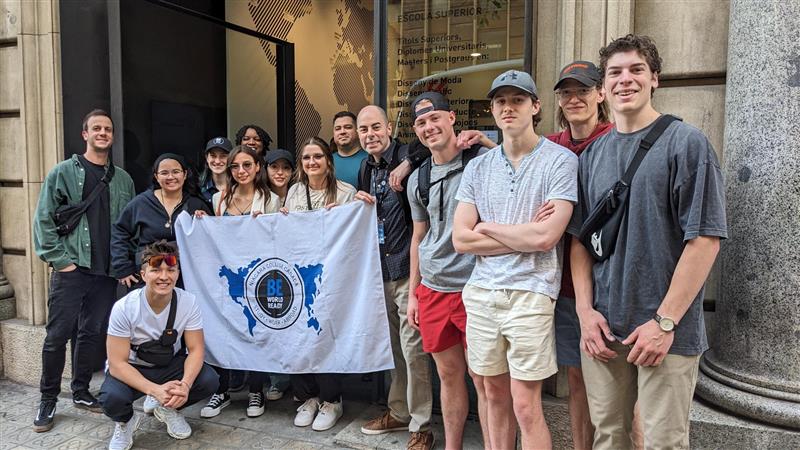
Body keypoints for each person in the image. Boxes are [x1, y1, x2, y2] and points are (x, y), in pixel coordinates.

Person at [568, 34, 726, 450]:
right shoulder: (591, 157)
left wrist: (665, 322)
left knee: (663, 442)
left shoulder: (686, 143)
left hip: (665, 332)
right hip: (604, 329)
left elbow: (705, 239)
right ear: (602, 87)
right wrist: (585, 313)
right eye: (615, 72)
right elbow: (580, 244)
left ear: (655, 78)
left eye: (636, 70)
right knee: (609, 438)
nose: (625, 80)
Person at [452, 70, 578, 450]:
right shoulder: (477, 167)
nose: (509, 108)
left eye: (518, 100)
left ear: (535, 106)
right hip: (481, 293)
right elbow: (461, 238)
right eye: (501, 101)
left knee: (525, 405)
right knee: (492, 395)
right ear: (492, 109)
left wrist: (487, 227)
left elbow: (546, 237)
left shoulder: (560, 161)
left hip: (531, 293)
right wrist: (521, 234)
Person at [31, 109, 135, 432]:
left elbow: (126, 227)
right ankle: (48, 398)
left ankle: (80, 391)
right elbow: (43, 220)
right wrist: (62, 261)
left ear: (112, 136)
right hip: (71, 268)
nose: (103, 133)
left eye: (108, 129)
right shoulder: (63, 173)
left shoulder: (124, 179)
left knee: (91, 332)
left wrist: (123, 264)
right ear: (85, 134)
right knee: (57, 335)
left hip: (105, 273)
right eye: (96, 128)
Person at [404, 92, 492, 448]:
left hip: (476, 287)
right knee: (448, 374)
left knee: (484, 377)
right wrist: (413, 292)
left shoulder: (482, 160)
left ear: (452, 118)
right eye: (422, 123)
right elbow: (418, 237)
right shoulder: (417, 178)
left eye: (435, 118)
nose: (430, 127)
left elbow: (521, 155)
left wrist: (486, 138)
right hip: (434, 289)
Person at [355, 105, 434, 450]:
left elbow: (426, 145)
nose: (370, 134)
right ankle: (398, 411)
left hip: (408, 272)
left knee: (414, 351)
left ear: (388, 128)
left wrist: (406, 163)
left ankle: (422, 426)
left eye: (376, 127)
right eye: (363, 130)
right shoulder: (364, 168)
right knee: (395, 351)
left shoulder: (407, 153)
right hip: (379, 273)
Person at [545, 60, 614, 450]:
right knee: (575, 380)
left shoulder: (616, 139)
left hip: (612, 285)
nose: (574, 99)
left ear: (599, 94)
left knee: (618, 389)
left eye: (583, 91)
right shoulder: (551, 146)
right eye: (566, 92)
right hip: (567, 288)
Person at [99, 240, 219, 449]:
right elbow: (117, 363)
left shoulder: (188, 302)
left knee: (209, 380)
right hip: (132, 368)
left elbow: (196, 349)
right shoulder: (125, 308)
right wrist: (154, 390)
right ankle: (125, 422)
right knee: (112, 398)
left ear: (178, 273)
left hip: (167, 365)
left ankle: (168, 408)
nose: (164, 276)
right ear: (144, 274)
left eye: (170, 270)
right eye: (156, 270)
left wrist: (185, 386)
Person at [197, 145, 279, 418]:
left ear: (258, 167)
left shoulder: (270, 200)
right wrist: (204, 222)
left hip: (258, 279)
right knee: (223, 331)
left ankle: (256, 389)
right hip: (229, 279)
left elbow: (278, 240)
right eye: (235, 166)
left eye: (247, 165)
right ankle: (222, 391)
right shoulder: (219, 198)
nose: (241, 171)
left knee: (255, 331)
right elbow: (217, 239)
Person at [280, 137, 354, 431]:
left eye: (318, 157)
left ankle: (331, 400)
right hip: (299, 277)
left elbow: (355, 232)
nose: (312, 163)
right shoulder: (294, 191)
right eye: (307, 158)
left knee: (326, 337)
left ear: (328, 161)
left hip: (333, 278)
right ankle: (307, 397)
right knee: (298, 335)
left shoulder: (347, 192)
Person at [111, 153, 211, 290]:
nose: (171, 177)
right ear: (156, 177)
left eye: (176, 172)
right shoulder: (142, 203)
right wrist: (122, 267)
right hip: (148, 277)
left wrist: (206, 223)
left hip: (186, 280)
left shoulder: (196, 205)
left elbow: (211, 241)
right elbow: (120, 231)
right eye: (164, 173)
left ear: (185, 174)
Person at [331, 111, 368, 188]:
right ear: (333, 133)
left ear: (357, 131)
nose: (342, 132)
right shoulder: (326, 160)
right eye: (338, 129)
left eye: (348, 127)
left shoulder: (370, 159)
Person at [199, 137, 233, 208]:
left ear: (231, 158)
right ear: (207, 158)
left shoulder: (239, 186)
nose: (217, 161)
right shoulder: (199, 189)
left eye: (223, 156)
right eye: (213, 156)